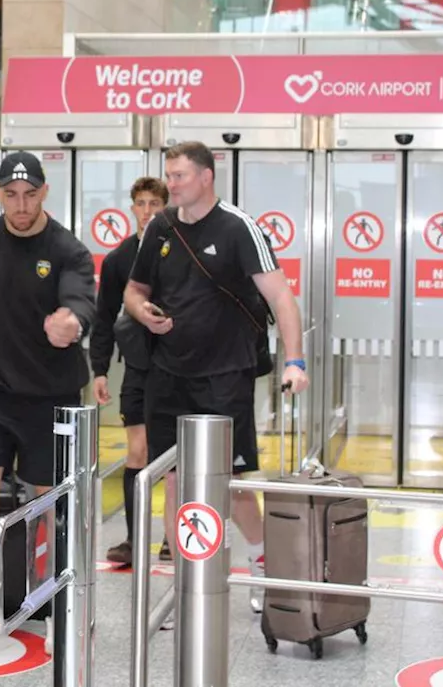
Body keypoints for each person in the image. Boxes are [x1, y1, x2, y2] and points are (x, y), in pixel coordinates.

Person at [123, 140, 309, 614]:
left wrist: (296, 360)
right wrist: (143, 313)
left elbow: (281, 298)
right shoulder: (160, 228)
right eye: (170, 175)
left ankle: (263, 562)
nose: (172, 184)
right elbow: (134, 289)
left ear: (206, 177)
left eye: (181, 175)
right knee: (172, 480)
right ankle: (180, 584)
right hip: (169, 373)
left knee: (237, 480)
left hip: (225, 375)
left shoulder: (238, 228)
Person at [0, 151, 96, 681]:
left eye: (29, 194)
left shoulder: (66, 250)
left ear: (44, 192)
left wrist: (70, 322)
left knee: (48, 506)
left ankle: (62, 614)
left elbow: (82, 300)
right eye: (10, 195)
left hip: (48, 398)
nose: (20, 205)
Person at [89, 176, 168, 566]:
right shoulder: (120, 260)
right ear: (133, 208)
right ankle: (136, 539)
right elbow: (103, 318)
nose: (149, 211)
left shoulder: (177, 252)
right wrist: (99, 370)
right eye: (142, 203)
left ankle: (175, 537)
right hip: (137, 368)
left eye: (156, 203)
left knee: (174, 456)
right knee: (137, 451)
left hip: (176, 369)